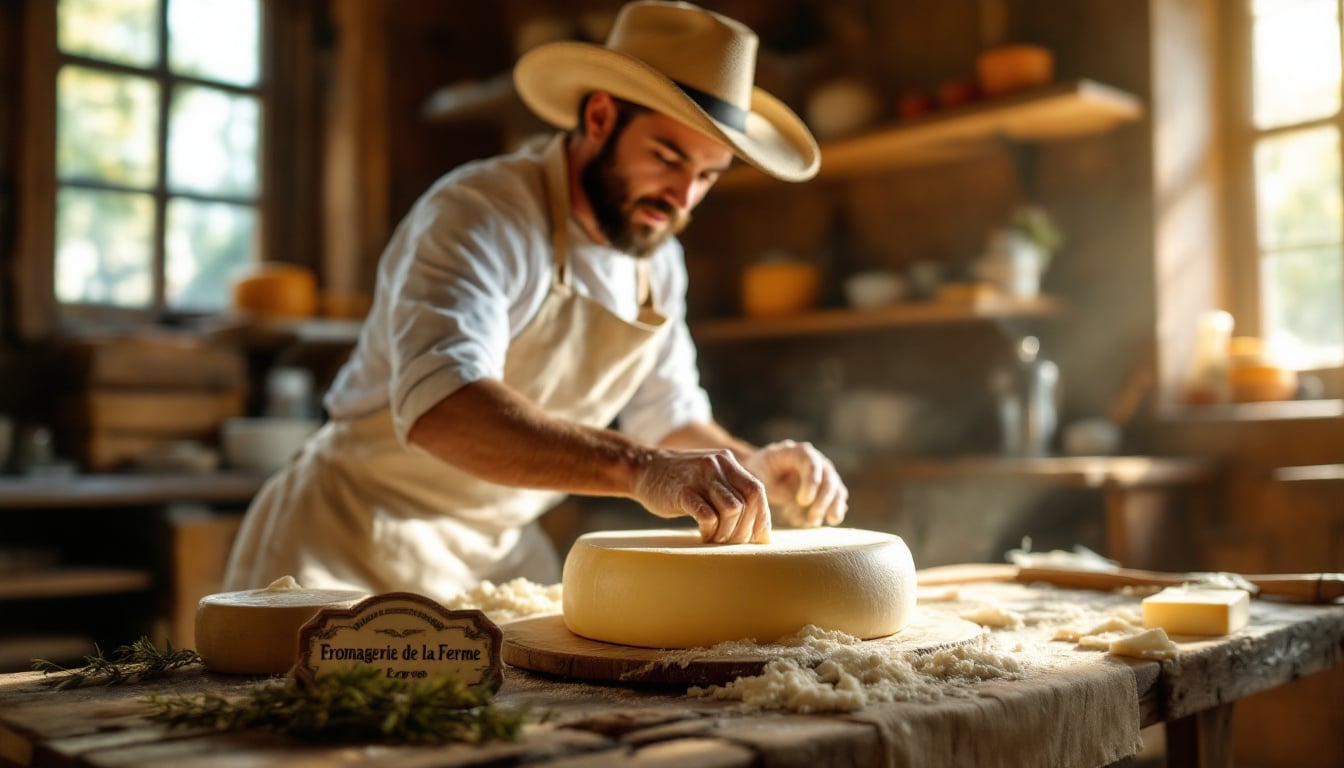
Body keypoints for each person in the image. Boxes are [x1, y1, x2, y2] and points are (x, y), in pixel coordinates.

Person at [222, 0, 848, 599]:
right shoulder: (479, 213)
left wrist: (749, 469)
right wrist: (640, 469)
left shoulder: (659, 260)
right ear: (600, 118)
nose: (682, 196)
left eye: (707, 175)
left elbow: (668, 417)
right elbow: (444, 408)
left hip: (498, 557)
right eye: (665, 157)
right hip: (351, 541)